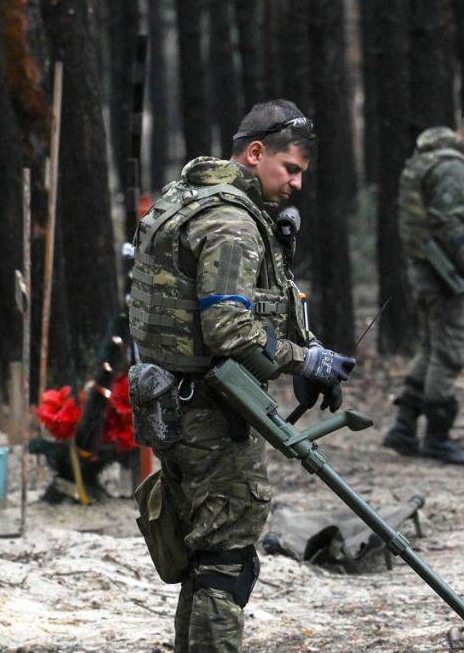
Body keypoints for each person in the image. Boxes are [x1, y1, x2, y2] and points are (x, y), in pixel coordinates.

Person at [128, 100, 355, 652]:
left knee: (206, 556)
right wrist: (308, 362)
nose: (297, 184)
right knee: (227, 560)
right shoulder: (231, 223)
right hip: (207, 411)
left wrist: (305, 346)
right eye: (291, 170)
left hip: (176, 403)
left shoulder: (190, 196)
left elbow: (263, 306)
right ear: (255, 154)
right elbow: (229, 329)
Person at [382, 106, 464, 466]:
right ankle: (437, 437)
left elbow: (444, 213)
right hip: (442, 275)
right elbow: (446, 225)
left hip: (427, 271)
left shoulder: (437, 159)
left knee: (430, 349)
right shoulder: (454, 166)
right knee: (451, 353)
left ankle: (404, 429)